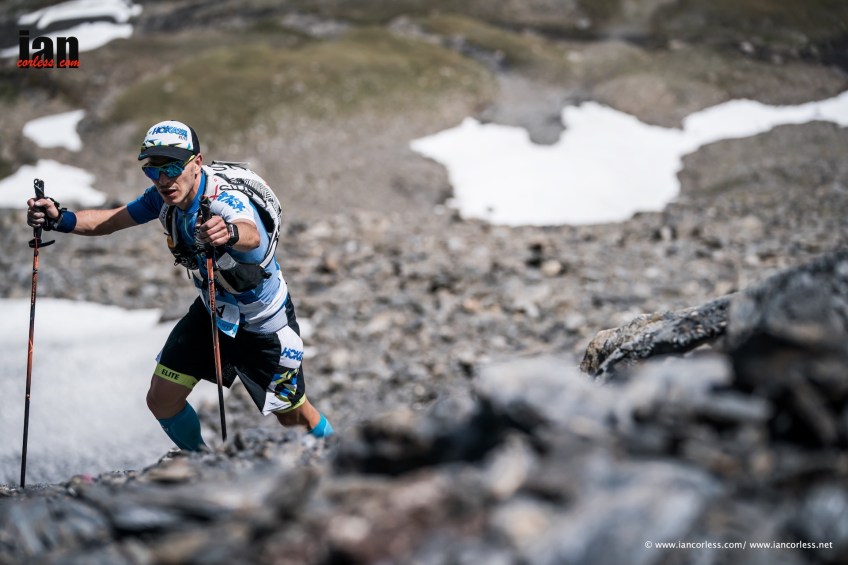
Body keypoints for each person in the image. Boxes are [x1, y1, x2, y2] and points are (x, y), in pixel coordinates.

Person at [26, 119, 333, 451]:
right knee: (161, 399)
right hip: (214, 312)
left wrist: (229, 232)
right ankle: (201, 462)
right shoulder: (163, 199)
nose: (163, 180)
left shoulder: (224, 199)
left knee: (293, 416)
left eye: (172, 168)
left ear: (196, 163)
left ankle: (342, 457)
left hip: (262, 323)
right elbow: (111, 220)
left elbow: (251, 234)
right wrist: (60, 218)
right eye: (153, 170)